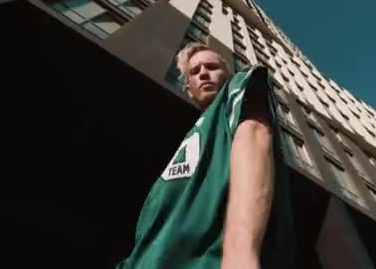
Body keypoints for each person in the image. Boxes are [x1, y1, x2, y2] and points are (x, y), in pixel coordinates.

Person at [117, 42, 295, 269]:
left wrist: (241, 254)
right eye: (195, 71)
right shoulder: (193, 139)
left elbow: (255, 133)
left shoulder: (236, 91)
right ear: (188, 89)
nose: (203, 73)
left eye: (211, 67)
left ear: (228, 75)